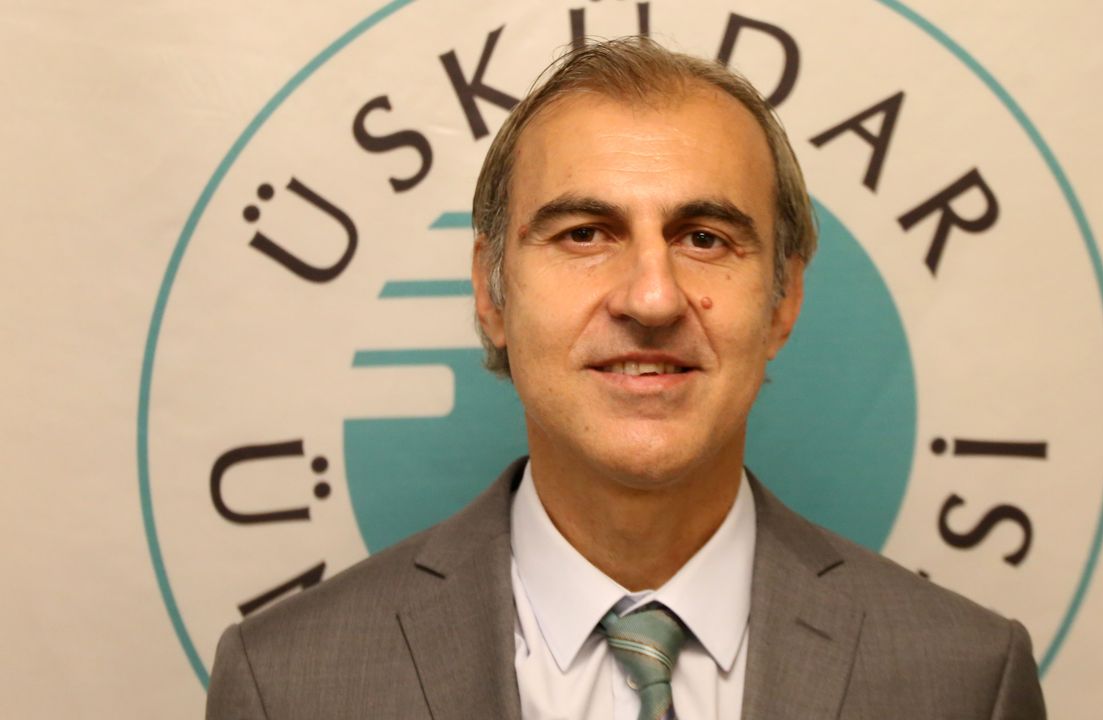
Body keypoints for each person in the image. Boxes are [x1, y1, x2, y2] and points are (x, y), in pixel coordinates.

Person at [206, 37, 1046, 720]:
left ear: (784, 298)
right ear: (491, 294)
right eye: (584, 233)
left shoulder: (966, 680)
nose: (651, 298)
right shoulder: (287, 685)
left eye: (705, 238)